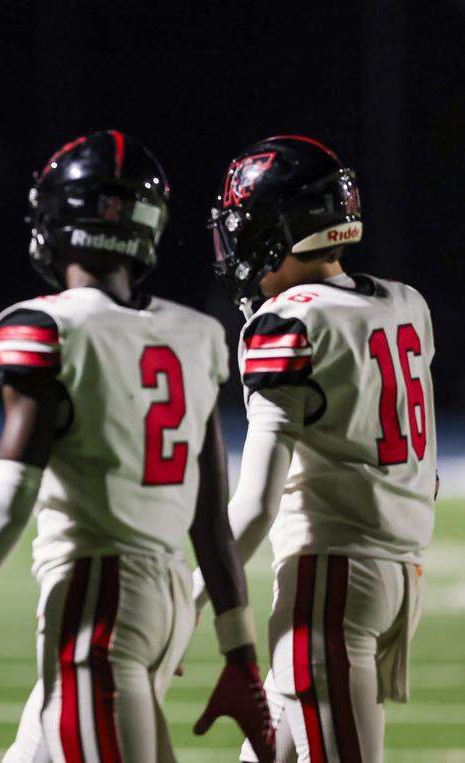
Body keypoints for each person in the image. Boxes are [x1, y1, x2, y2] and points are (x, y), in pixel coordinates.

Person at [0, 131, 276, 762]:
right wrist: (239, 651)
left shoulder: (47, 327)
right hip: (166, 599)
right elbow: (211, 520)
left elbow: (11, 501)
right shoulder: (193, 334)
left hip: (99, 601)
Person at [203, 135, 437, 762]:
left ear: (280, 228)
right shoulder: (405, 303)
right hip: (400, 572)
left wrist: (189, 596)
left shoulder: (287, 323)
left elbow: (255, 506)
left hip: (331, 579)